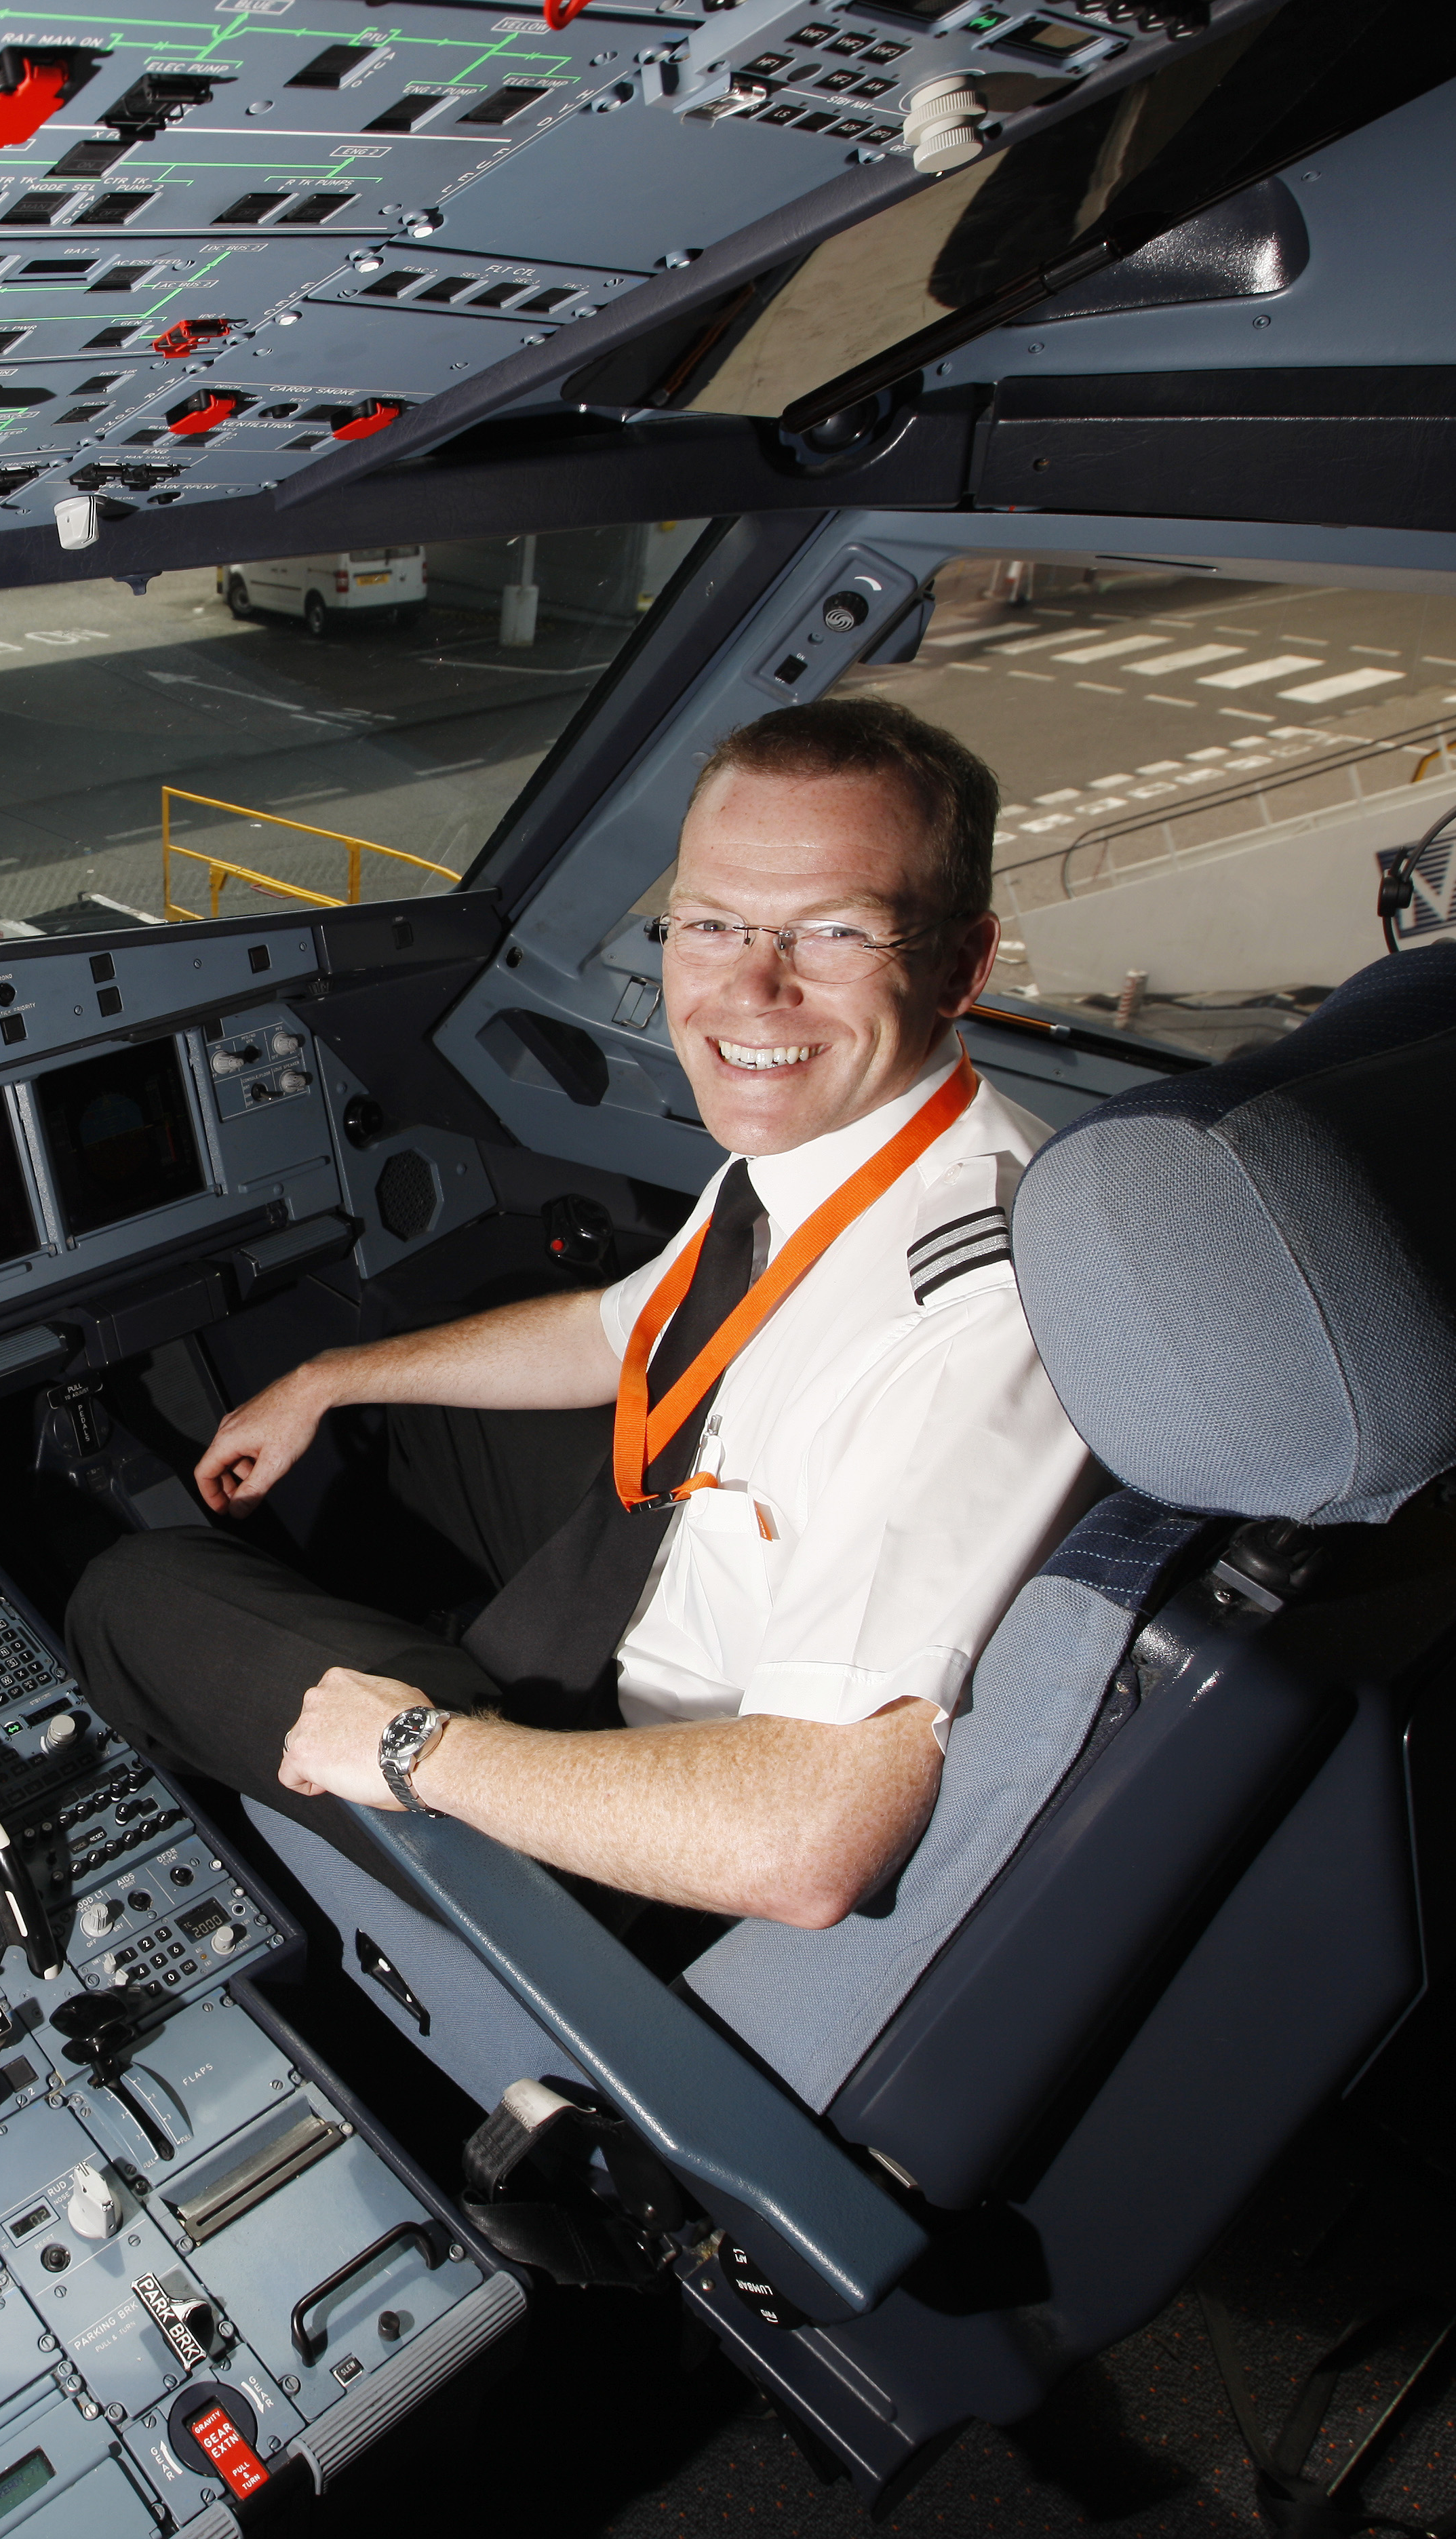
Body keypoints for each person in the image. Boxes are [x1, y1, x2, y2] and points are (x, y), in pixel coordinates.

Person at [65, 696, 1100, 1929]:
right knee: (399, 1410)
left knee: (133, 1592)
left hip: (668, 1816)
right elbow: (625, 1332)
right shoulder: (835, 1138)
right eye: (711, 923)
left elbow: (806, 1843)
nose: (750, 991)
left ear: (962, 965)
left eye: (831, 933)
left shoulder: (964, 1318)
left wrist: (413, 1746)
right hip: (656, 1583)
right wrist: (333, 1376)